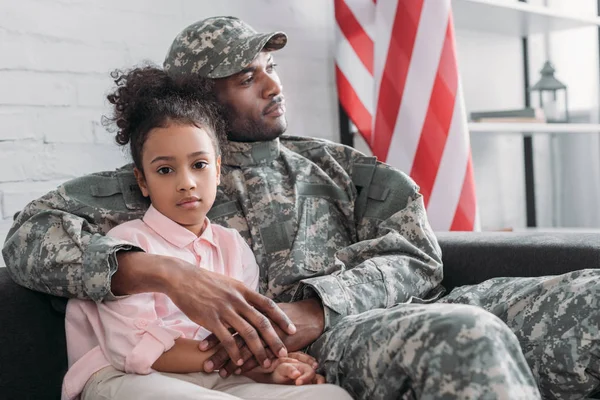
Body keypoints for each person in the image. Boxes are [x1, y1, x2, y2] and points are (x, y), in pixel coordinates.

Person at [3, 15, 600, 399]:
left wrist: (317, 308)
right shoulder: (162, 177)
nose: (272, 86)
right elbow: (28, 237)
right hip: (331, 351)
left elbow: (416, 252)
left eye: (272, 68)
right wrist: (162, 271)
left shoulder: (339, 165)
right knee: (463, 333)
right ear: (196, 96)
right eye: (246, 76)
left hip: (376, 311)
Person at [61, 65, 351, 400]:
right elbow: (136, 349)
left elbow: (238, 337)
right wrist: (250, 359)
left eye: (198, 165)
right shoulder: (128, 247)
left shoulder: (233, 247)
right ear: (142, 181)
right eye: (166, 170)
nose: (186, 182)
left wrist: (273, 367)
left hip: (215, 376)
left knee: (329, 395)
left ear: (216, 170)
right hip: (123, 377)